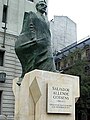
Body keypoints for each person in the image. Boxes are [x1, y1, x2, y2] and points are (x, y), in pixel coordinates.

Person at [15, 0, 56, 85]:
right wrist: (33, 37)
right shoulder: (32, 15)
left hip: (45, 43)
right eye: (42, 5)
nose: (44, 6)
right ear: (37, 7)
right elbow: (30, 26)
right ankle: (24, 76)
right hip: (36, 42)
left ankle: (52, 71)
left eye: (45, 5)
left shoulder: (46, 20)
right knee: (32, 60)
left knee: (50, 58)